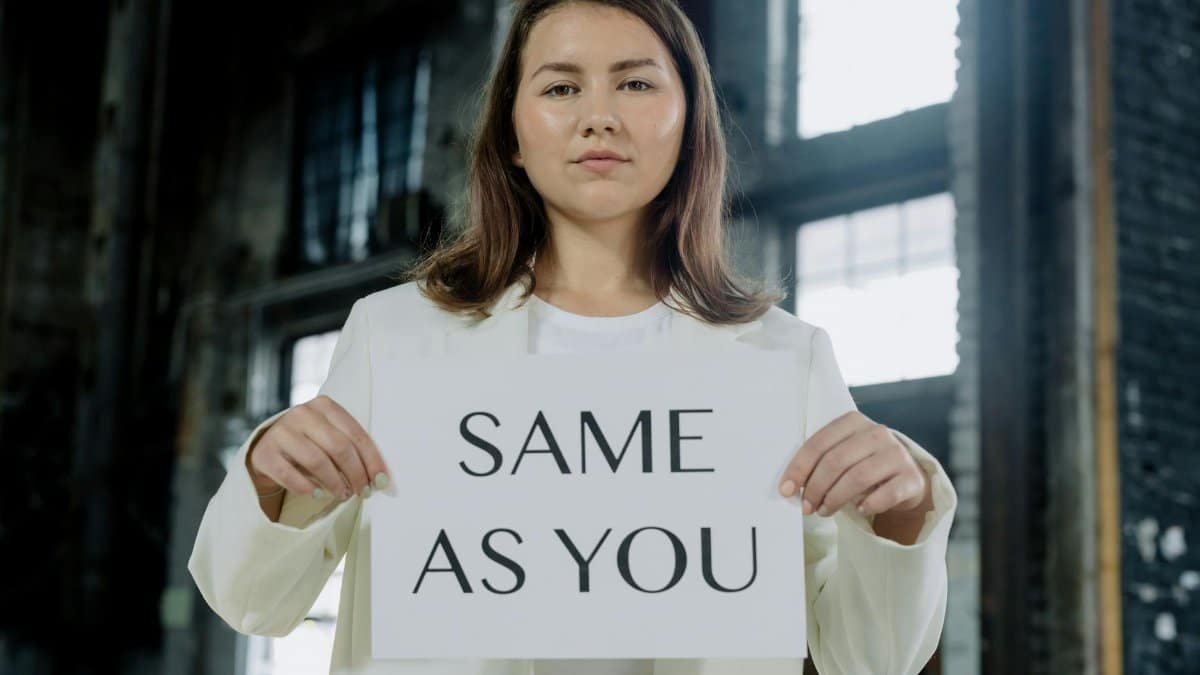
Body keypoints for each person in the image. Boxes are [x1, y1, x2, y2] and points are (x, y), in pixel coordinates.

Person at [188, 1, 959, 673]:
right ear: (512, 136)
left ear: (689, 125)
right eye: (561, 87)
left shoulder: (785, 359)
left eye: (636, 84)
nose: (600, 116)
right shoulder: (394, 338)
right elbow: (251, 599)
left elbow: (869, 658)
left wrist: (900, 511)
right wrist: (268, 473)